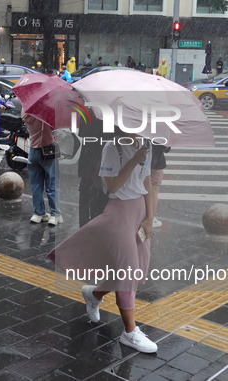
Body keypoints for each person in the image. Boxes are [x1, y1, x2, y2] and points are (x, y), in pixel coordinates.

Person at [48, 132, 156, 353]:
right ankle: (130, 332)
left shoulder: (146, 143)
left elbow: (148, 182)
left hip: (140, 211)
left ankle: (94, 294)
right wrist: (135, 159)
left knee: (133, 270)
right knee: (129, 272)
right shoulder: (112, 147)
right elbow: (113, 186)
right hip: (119, 212)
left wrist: (150, 219)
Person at [23, 111, 62, 226]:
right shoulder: (46, 112)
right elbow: (55, 128)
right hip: (47, 151)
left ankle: (38, 213)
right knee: (52, 184)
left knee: (36, 185)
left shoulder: (26, 110)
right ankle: (55, 215)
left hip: (33, 151)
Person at [150, 144, 170, 228]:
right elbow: (166, 149)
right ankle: (151, 219)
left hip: (143, 163)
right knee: (154, 193)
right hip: (156, 164)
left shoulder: (143, 133)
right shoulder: (160, 135)